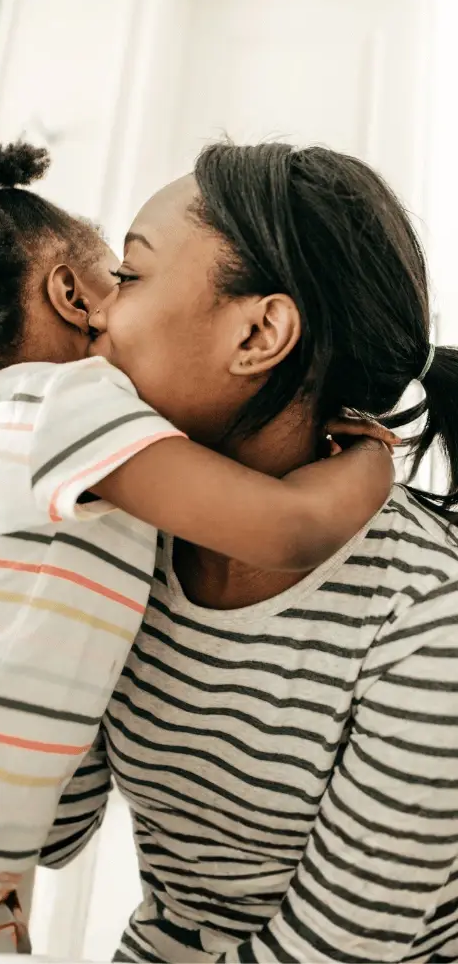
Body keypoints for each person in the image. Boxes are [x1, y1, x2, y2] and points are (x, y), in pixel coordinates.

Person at [0, 141, 393, 953]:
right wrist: (374, 457)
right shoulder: (67, 399)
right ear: (77, 295)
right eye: (125, 272)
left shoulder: (65, 447)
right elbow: (288, 529)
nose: (119, 300)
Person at [38, 142, 458, 964]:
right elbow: (49, 829)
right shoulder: (124, 536)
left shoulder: (428, 613)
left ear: (259, 333)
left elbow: (338, 950)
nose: (94, 314)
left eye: (128, 274)